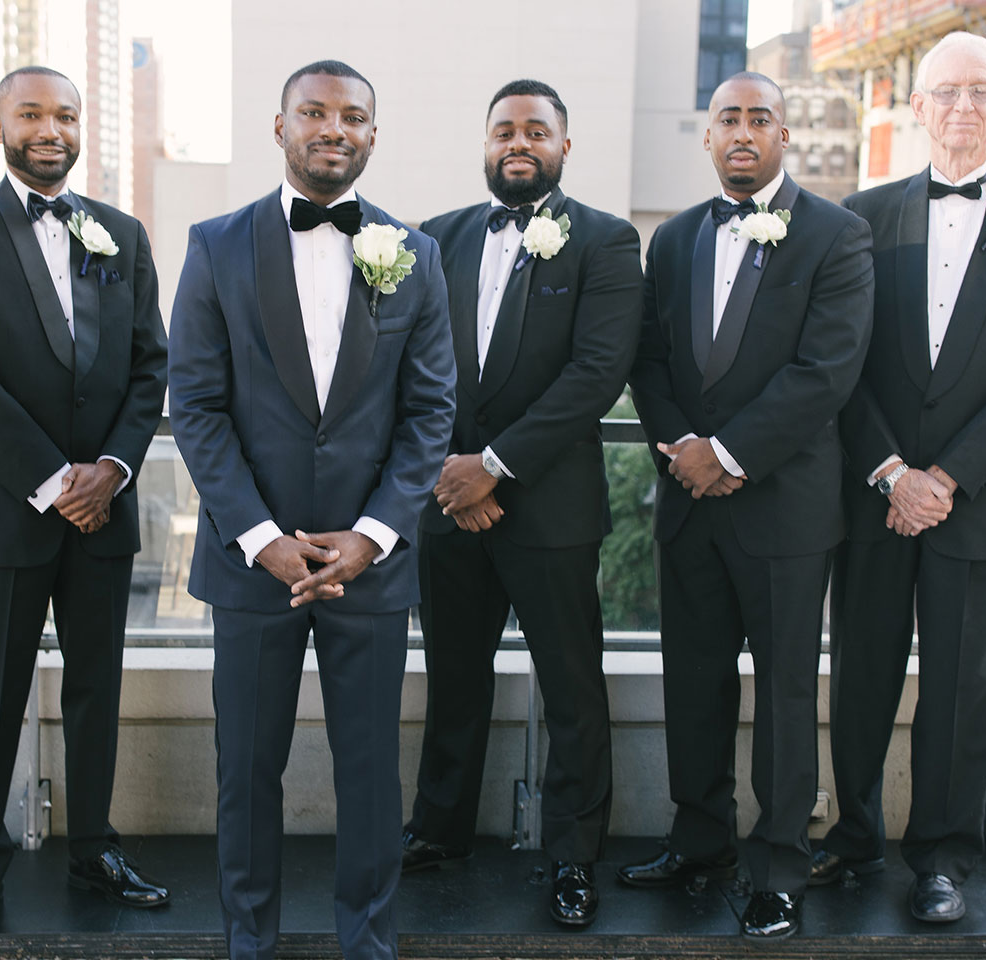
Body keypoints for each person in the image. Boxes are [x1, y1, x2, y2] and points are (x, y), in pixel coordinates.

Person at [167, 60, 454, 960]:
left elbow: (431, 411)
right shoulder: (215, 244)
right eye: (315, 113)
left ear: (373, 133)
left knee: (371, 773)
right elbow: (195, 405)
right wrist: (261, 539)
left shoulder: (416, 253)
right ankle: (248, 940)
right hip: (253, 564)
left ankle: (368, 940)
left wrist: (373, 536)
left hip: (371, 566)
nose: (335, 128)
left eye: (353, 116)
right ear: (280, 127)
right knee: (248, 771)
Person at [812, 31, 986, 924]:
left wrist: (947, 479)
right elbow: (841, 363)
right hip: (875, 498)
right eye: (946, 92)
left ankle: (941, 857)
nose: (963, 106)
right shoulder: (860, 217)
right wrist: (894, 473)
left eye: (981, 91)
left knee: (964, 690)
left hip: (983, 501)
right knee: (861, 674)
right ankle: (853, 835)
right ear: (918, 107)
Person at [0, 66, 171, 943]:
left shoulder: (122, 233)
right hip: (11, 511)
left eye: (65, 114)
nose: (50, 129)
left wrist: (113, 468)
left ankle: (93, 850)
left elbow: (150, 364)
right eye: (31, 113)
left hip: (106, 510)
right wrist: (56, 481)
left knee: (99, 690)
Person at [621, 71, 873, 941]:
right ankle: (699, 843)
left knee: (786, 698)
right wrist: (684, 454)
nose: (742, 131)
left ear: (783, 135)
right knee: (693, 685)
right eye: (727, 117)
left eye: (759, 118)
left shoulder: (838, 235)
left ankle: (778, 869)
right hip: (689, 507)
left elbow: (826, 371)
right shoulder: (673, 239)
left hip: (786, 513)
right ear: (708, 136)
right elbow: (648, 359)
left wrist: (727, 454)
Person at [400, 79, 640, 928]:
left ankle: (573, 855)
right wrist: (452, 476)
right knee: (453, 678)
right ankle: (439, 830)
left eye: (537, 130)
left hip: (550, 509)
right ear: (486, 142)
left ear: (564, 147)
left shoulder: (607, 241)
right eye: (504, 129)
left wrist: (494, 468)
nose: (519, 142)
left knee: (572, 688)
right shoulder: (436, 237)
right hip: (447, 504)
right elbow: (413, 366)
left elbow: (597, 374)